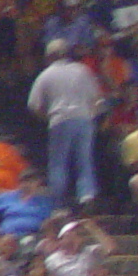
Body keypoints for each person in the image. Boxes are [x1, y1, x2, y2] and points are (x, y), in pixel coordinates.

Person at [26, 39, 103, 209]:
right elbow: (96, 97)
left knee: (58, 163)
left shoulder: (46, 75)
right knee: (84, 159)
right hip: (83, 118)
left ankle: (58, 200)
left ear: (50, 56)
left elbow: (33, 105)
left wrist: (47, 118)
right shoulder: (82, 70)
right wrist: (91, 114)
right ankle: (86, 195)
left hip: (59, 119)